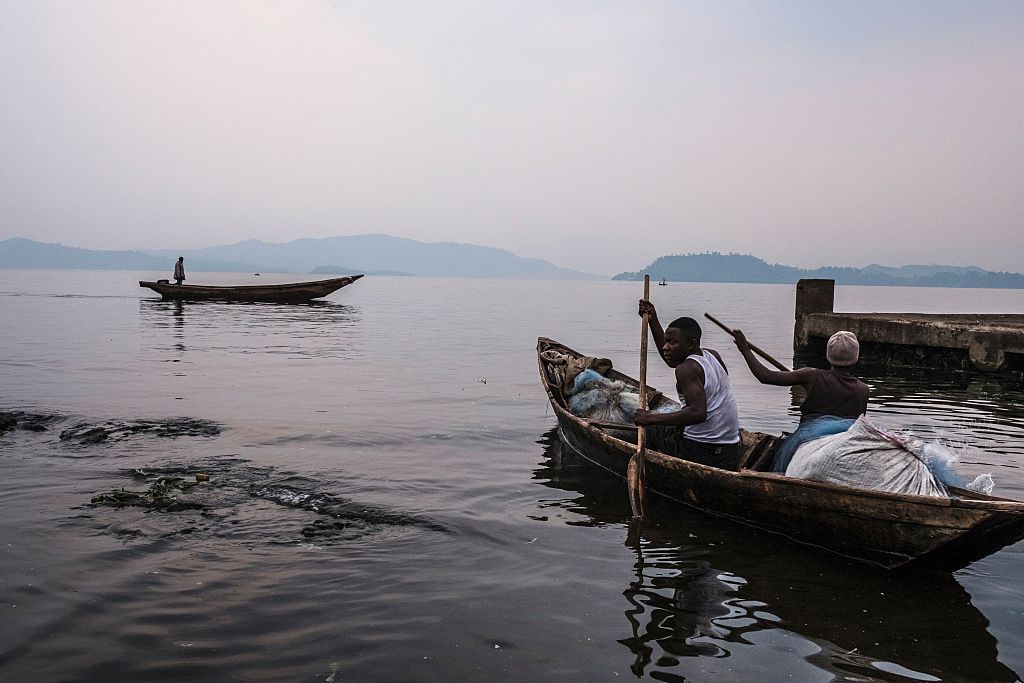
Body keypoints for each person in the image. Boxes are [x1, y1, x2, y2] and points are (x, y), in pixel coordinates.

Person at [633, 300, 741, 470]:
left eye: (672, 342)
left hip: (702, 452)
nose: (665, 347)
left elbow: (698, 413)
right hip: (732, 451)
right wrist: (653, 320)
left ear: (691, 344)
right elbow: (670, 360)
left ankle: (653, 472)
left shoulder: (686, 369)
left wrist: (650, 418)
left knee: (652, 429)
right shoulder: (712, 356)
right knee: (668, 425)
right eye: (666, 341)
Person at [732, 329, 868, 424]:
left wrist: (745, 350)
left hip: (810, 436)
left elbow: (766, 376)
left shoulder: (811, 376)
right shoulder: (863, 390)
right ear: (855, 358)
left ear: (828, 355)